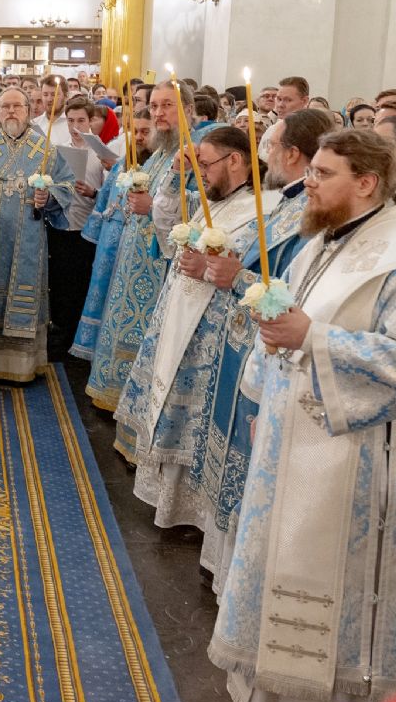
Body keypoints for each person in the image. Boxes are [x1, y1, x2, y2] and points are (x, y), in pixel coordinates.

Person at [209, 129, 396, 702]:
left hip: (356, 464)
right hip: (291, 441)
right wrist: (267, 393)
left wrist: (312, 338)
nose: (307, 183)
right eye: (311, 169)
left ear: (366, 181)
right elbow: (289, 317)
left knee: (330, 596)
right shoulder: (328, 237)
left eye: (322, 173)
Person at [195, 110, 339, 588]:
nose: (265, 157)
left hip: (275, 348)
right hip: (246, 339)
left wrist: (240, 277)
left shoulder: (311, 215)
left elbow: (301, 292)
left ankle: (242, 572)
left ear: (293, 153)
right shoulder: (282, 201)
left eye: (271, 147)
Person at [114, 126, 279, 531]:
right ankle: (165, 499)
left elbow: (259, 274)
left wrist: (212, 268)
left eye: (205, 164)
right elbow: (166, 217)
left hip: (213, 331)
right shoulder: (213, 200)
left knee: (196, 417)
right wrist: (175, 171)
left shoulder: (265, 208)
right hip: (179, 314)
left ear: (236, 160)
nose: (200, 173)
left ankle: (190, 511)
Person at [86, 83, 194, 415]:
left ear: (188, 111)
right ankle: (112, 392)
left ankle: (134, 407)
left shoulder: (193, 153)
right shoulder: (161, 152)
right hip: (133, 257)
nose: (159, 113)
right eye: (155, 106)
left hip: (159, 266)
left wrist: (153, 207)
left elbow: (205, 210)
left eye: (167, 106)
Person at [0, 88, 75, 382]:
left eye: (18, 106)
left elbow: (67, 186)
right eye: (6, 107)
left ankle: (22, 367)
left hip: (28, 240)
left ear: (28, 110)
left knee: (23, 294)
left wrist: (48, 196)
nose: (11, 112)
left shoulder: (45, 148)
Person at [72, 104, 153, 361]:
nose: (139, 137)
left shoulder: (157, 168)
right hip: (109, 242)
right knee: (102, 295)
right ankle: (97, 352)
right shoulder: (121, 166)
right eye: (135, 131)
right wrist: (94, 237)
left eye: (145, 132)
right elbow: (105, 200)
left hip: (139, 246)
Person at [52, 96, 105, 351]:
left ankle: (75, 337)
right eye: (70, 120)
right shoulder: (58, 148)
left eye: (81, 120)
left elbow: (110, 194)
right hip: (61, 225)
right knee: (60, 283)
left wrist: (93, 192)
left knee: (80, 284)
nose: (75, 126)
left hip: (87, 228)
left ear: (91, 121)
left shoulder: (101, 153)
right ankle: (60, 331)